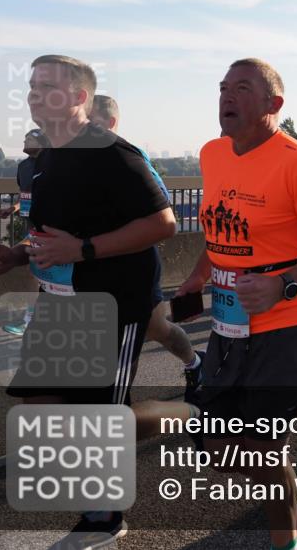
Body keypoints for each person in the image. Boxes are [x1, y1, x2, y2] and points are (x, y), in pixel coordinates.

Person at [0, 54, 177, 546]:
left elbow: (164, 224)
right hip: (58, 300)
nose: (31, 93)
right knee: (40, 403)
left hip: (111, 303)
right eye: (30, 85)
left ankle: (104, 518)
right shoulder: (48, 160)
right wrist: (15, 257)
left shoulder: (111, 152)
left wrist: (84, 250)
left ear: (77, 97)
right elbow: (49, 236)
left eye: (45, 85)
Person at [176, 58, 297, 549]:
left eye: (242, 88)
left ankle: (287, 542)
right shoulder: (213, 154)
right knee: (219, 449)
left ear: (274, 104)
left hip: (292, 321)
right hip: (230, 323)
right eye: (223, 88)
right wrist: (196, 278)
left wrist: (283, 286)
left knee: (262, 446)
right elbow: (219, 231)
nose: (227, 97)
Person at [90, 95, 204, 397]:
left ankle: (194, 363)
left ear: (111, 123)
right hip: (95, 266)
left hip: (131, 266)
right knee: (144, 331)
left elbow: (163, 209)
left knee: (147, 331)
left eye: (91, 122)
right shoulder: (78, 159)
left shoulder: (130, 156)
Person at [0, 129, 50, 336]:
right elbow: (26, 194)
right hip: (32, 225)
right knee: (37, 272)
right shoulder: (23, 166)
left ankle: (32, 321)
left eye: (29, 139)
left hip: (51, 227)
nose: (24, 141)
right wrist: (13, 208)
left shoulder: (53, 164)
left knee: (39, 272)